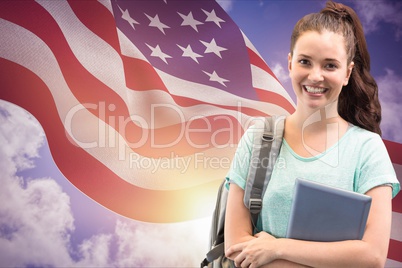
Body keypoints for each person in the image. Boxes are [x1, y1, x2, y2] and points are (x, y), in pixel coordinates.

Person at [224, 1, 400, 267]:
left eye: (330, 65)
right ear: (290, 63)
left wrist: (277, 248)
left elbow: (372, 256)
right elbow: (236, 248)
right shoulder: (257, 139)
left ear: (347, 73)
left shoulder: (367, 148)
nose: (315, 76)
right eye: (305, 62)